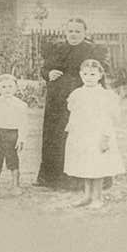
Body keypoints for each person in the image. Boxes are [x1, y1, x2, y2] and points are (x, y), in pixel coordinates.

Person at [35, 17, 110, 189]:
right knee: (56, 137)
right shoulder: (57, 48)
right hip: (57, 101)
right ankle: (53, 178)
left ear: (85, 33)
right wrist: (48, 74)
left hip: (83, 100)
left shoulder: (93, 50)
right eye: (70, 31)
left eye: (78, 31)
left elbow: (102, 72)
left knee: (82, 137)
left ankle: (83, 179)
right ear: (65, 32)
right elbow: (44, 69)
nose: (73, 34)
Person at [64, 59, 125, 208]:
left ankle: (98, 198)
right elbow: (74, 114)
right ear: (80, 75)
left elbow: (108, 119)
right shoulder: (77, 94)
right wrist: (73, 132)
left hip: (98, 135)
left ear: (100, 75)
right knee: (86, 164)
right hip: (82, 135)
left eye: (92, 74)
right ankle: (87, 196)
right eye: (85, 74)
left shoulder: (105, 95)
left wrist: (105, 138)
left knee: (97, 165)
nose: (89, 77)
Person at [0, 74, 28, 191]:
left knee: (12, 158)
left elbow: (23, 123)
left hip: (11, 134)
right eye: (3, 87)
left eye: (10, 86)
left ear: (16, 88)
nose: (7, 90)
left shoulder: (20, 105)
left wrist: (21, 139)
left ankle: (15, 184)